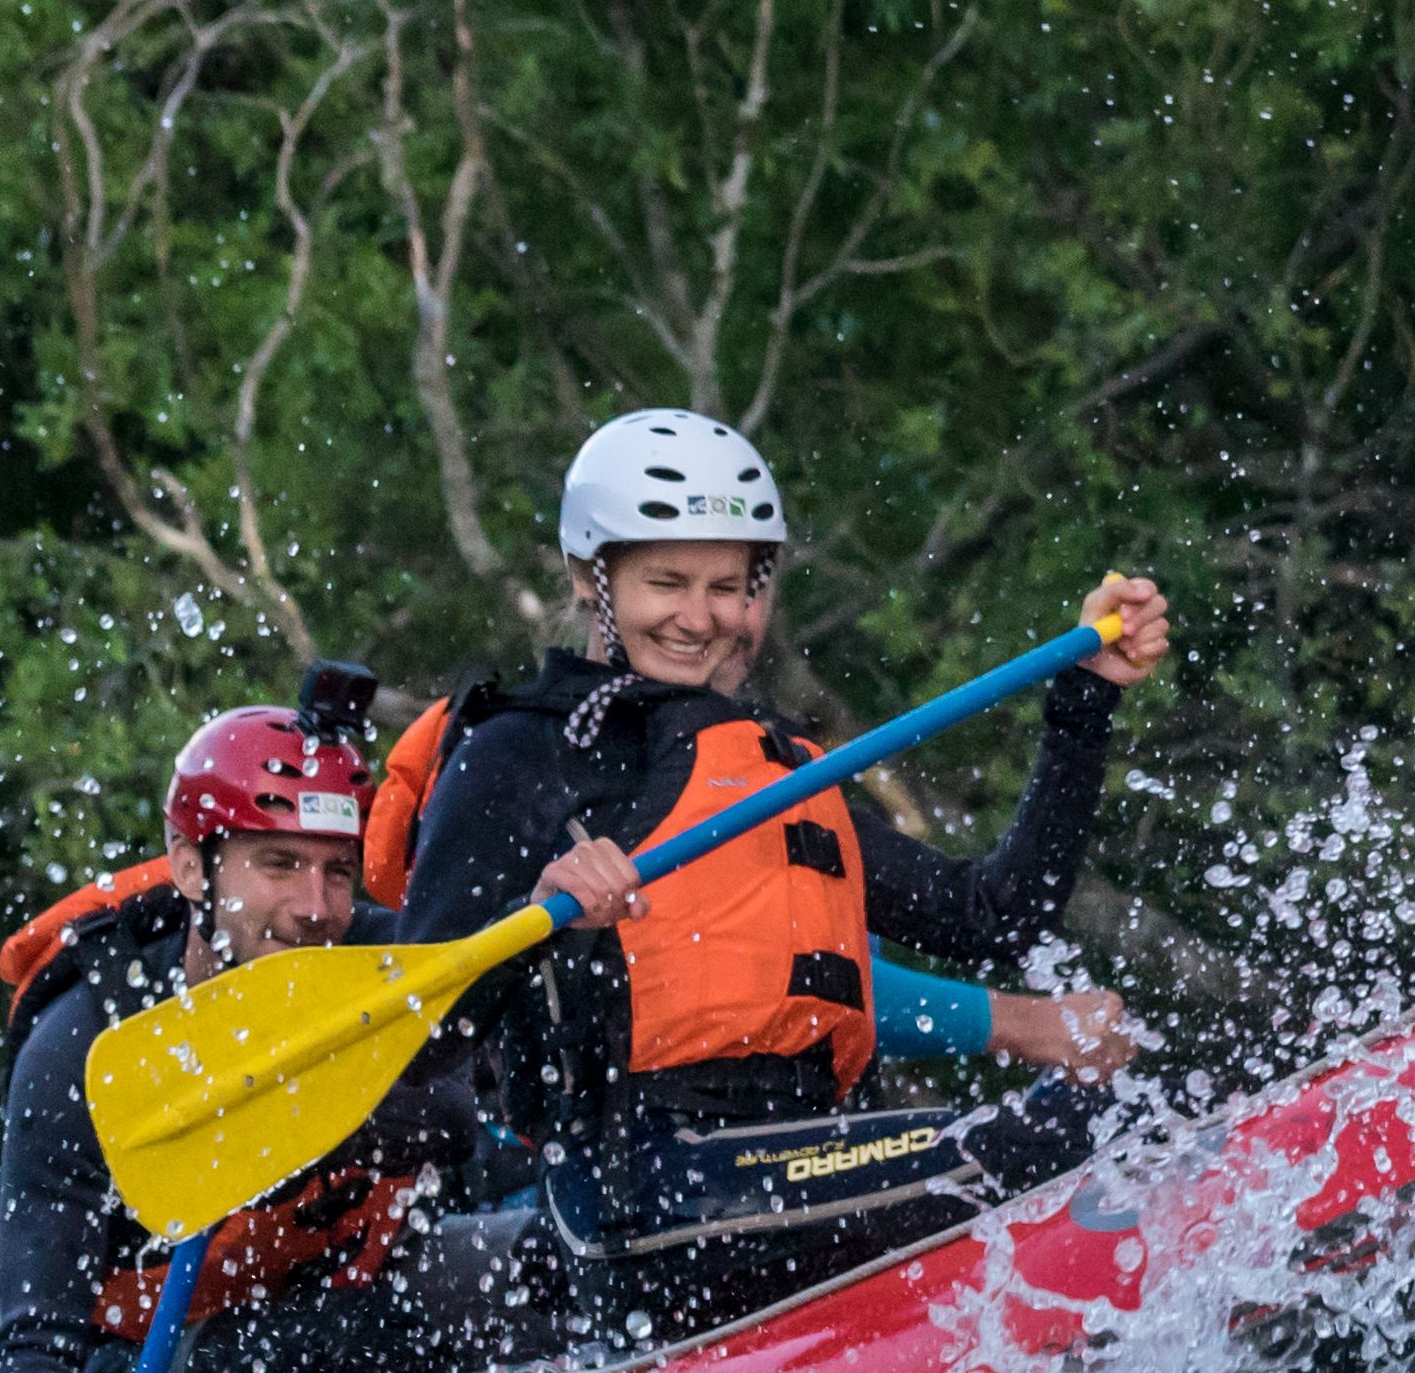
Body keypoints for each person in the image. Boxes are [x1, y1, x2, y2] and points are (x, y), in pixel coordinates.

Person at [387, 408, 1176, 1317]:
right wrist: (534, 918)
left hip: (803, 1155)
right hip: (643, 1188)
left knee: (1113, 1114)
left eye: (727, 586)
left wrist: (1084, 705)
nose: (699, 617)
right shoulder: (518, 752)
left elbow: (996, 915)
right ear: (586, 577)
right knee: (1069, 1133)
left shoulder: (779, 766)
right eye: (665, 582)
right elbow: (421, 1039)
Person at [0, 675, 636, 1373]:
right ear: (188, 864)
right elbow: (33, 1337)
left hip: (355, 1285)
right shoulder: (84, 1048)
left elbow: (500, 1103)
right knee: (349, 1336)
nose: (315, 907)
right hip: (151, 1368)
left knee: (565, 1264)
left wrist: (558, 935)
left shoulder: (374, 958)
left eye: (335, 869)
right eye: (278, 864)